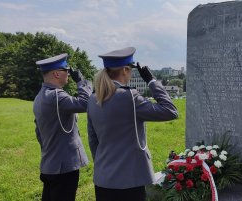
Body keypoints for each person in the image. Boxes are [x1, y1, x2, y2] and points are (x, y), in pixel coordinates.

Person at [87, 47, 178, 201]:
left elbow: (93, 140)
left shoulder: (93, 98)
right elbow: (170, 110)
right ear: (125, 70)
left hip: (103, 178)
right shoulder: (129, 97)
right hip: (130, 180)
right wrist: (151, 80)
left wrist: (105, 167)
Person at [33, 53, 92, 201]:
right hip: (64, 167)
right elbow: (86, 104)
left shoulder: (40, 96)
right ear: (57, 73)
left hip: (50, 164)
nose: (69, 74)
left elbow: (38, 132)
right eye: (67, 70)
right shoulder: (56, 96)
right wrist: (81, 82)